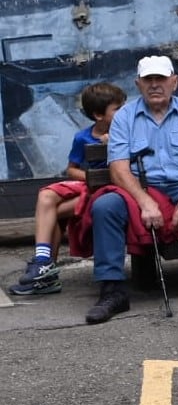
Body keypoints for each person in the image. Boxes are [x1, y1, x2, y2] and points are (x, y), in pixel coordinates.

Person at [84, 56, 178, 323]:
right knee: (105, 207)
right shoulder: (124, 118)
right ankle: (112, 291)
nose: (155, 85)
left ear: (174, 82)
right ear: (138, 84)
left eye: (161, 79)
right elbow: (119, 169)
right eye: (148, 80)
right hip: (141, 188)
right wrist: (144, 201)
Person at [8, 82, 124, 296]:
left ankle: (44, 272)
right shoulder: (82, 137)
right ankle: (43, 264)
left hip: (112, 192)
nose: (123, 112)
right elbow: (72, 170)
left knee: (53, 213)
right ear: (99, 115)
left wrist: (113, 145)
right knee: (46, 196)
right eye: (117, 109)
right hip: (89, 187)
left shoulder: (125, 134)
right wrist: (91, 178)